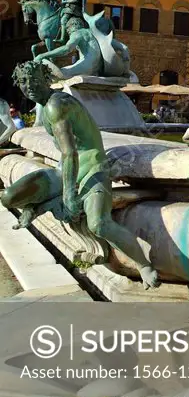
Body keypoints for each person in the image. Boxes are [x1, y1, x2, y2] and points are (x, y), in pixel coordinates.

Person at [3, 60, 159, 289]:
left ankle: (144, 265)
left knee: (99, 224)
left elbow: (70, 154)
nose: (30, 87)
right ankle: (36, 207)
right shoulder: (44, 106)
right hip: (65, 171)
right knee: (9, 196)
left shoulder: (57, 105)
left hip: (93, 168)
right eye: (25, 83)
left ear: (46, 80)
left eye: (35, 81)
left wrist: (68, 195)